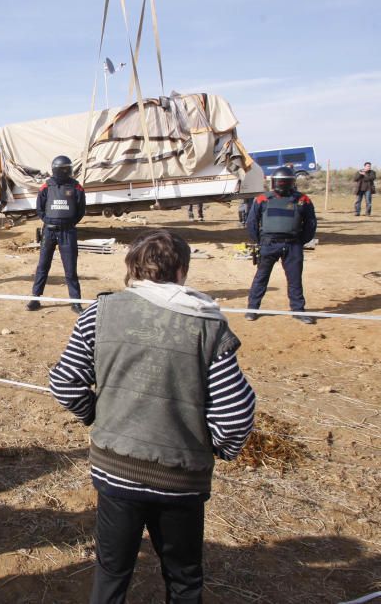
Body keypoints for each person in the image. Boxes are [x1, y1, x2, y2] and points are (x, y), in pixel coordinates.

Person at [49, 229, 255, 604]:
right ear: (183, 271)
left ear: (132, 269)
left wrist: (96, 416)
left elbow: (65, 382)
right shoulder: (208, 324)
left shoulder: (99, 312)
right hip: (181, 479)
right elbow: (235, 414)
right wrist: (216, 449)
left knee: (111, 573)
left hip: (116, 470)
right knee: (184, 579)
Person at [245, 166, 317, 325]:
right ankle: (252, 309)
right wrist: (260, 241)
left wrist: (299, 241)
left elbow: (310, 224)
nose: (281, 184)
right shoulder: (262, 199)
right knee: (261, 278)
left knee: (294, 279)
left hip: (292, 245)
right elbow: (251, 223)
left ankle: (298, 310)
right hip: (269, 244)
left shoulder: (302, 200)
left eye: (284, 182)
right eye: (280, 182)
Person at [26, 155, 85, 314]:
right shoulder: (46, 186)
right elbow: (40, 209)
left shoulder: (76, 187)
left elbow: (81, 211)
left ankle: (76, 302)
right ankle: (35, 298)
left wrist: (68, 222)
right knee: (43, 266)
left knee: (70, 269)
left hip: (68, 232)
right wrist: (49, 221)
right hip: (49, 231)